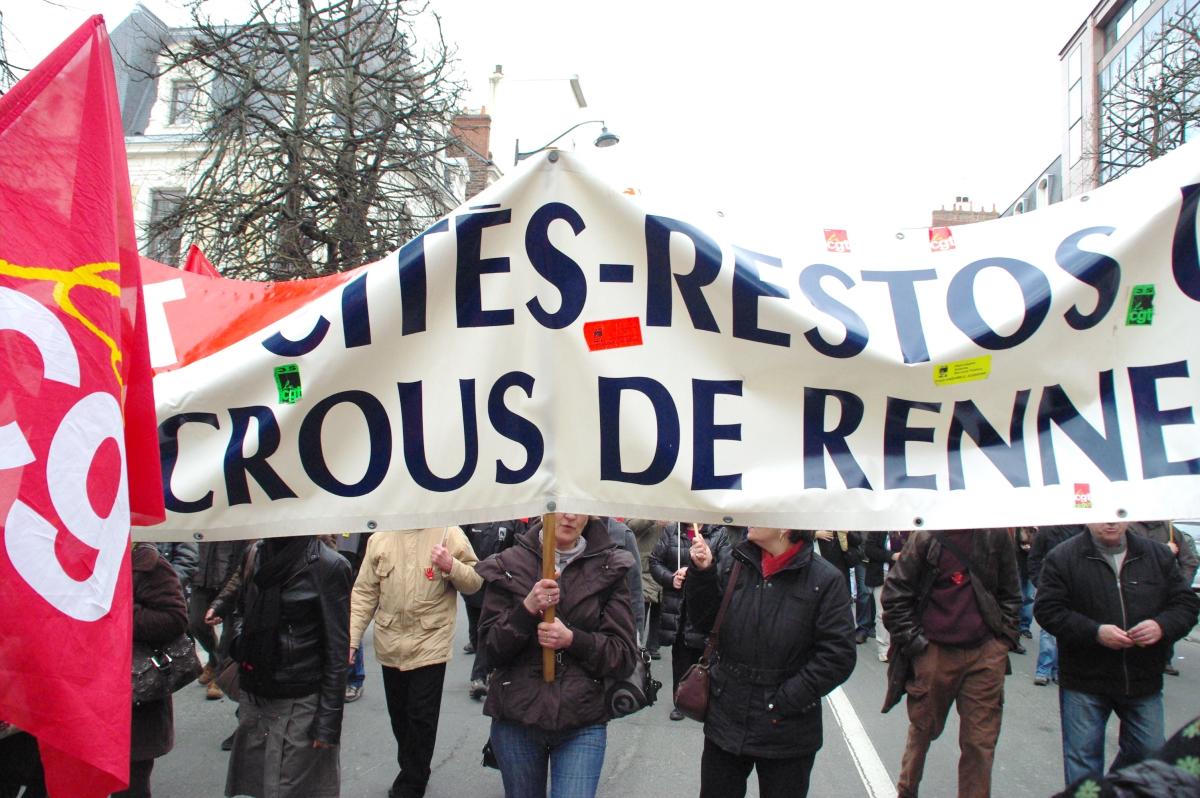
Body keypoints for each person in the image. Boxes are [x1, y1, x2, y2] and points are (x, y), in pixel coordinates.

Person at [475, 513, 638, 798]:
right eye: (562, 506)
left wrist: (573, 640)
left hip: (582, 720)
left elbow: (623, 655)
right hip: (517, 719)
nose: (570, 515)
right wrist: (526, 610)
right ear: (543, 509)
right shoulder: (509, 563)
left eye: (578, 507)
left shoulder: (610, 566)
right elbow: (489, 651)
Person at [685, 527, 856, 798]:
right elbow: (705, 622)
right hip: (727, 716)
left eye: (761, 510)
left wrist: (786, 699)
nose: (751, 518)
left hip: (787, 728)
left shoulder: (824, 578)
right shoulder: (735, 560)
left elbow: (838, 656)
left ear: (784, 526)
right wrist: (702, 574)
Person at [1034, 520, 1200, 786]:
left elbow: (1185, 604)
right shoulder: (1063, 556)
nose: (1111, 521)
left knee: (1148, 753)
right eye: (1103, 514)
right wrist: (1095, 632)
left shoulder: (1156, 554)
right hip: (1084, 680)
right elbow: (1048, 610)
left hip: (1142, 679)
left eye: (1118, 513)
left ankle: (1112, 787)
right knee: (1083, 763)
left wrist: (1161, 626)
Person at [881, 527, 1022, 798]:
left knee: (980, 743)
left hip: (985, 653)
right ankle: (906, 791)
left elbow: (1011, 591)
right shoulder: (925, 536)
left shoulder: (995, 534)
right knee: (922, 731)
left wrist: (1003, 640)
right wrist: (917, 644)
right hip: (934, 651)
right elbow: (895, 594)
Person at [349, 526, 482, 798]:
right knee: (399, 716)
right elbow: (364, 592)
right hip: (390, 643)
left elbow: (475, 580)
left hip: (431, 640)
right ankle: (413, 767)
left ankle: (412, 782)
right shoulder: (380, 538)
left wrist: (451, 565)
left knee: (421, 716)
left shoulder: (448, 532)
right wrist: (352, 639)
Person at [223, 536, 352, 798]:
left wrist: (328, 723)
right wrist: (244, 642)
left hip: (300, 702)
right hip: (256, 694)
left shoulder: (329, 565)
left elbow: (337, 650)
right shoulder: (254, 553)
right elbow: (240, 610)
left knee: (288, 789)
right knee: (260, 786)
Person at [117, 543, 189, 797]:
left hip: (134, 695)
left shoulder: (147, 562)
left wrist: (119, 609)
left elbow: (175, 619)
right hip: (86, 695)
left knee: (129, 785)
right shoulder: (74, 560)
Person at [649, 522, 729, 720]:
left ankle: (705, 699)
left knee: (705, 654)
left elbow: (725, 570)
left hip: (706, 606)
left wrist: (698, 569)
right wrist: (670, 578)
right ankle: (681, 700)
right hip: (678, 607)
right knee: (681, 655)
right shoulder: (672, 530)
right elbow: (655, 561)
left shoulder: (719, 533)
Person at [1128, 520, 1200, 675]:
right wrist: (1164, 549)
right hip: (1135, 588)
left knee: (1164, 623)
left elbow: (1190, 561)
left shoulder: (1170, 529)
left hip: (1164, 589)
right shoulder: (1128, 528)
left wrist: (1180, 584)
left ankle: (1164, 659)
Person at [461, 520, 519, 698]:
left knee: (487, 630)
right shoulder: (473, 518)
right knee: (476, 631)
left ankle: (479, 677)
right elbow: (461, 545)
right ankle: (487, 665)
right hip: (473, 583)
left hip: (498, 584)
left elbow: (518, 549)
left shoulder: (513, 521)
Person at [190, 539, 250, 701]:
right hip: (201, 577)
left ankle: (219, 677)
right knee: (195, 623)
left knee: (229, 634)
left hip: (230, 578)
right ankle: (213, 659)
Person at [1027, 524, 1082, 686]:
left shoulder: (1084, 531)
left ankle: (1059, 669)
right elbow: (1034, 557)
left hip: (1077, 588)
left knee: (1070, 629)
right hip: (1050, 586)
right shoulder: (1047, 530)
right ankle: (1043, 669)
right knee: (1048, 631)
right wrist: (1039, 581)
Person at [627, 519, 666, 659]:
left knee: (660, 611)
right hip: (643, 567)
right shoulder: (641, 507)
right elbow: (631, 526)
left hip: (664, 566)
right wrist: (651, 518)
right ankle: (636, 643)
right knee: (640, 609)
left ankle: (653, 646)